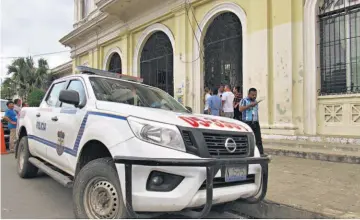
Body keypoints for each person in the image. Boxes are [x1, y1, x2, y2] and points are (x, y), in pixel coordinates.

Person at [239, 88, 263, 154]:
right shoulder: (244, 100)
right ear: (248, 94)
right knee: (247, 140)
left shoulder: (256, 101)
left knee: (258, 140)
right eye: (253, 95)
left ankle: (261, 154)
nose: (254, 96)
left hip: (255, 122)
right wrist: (250, 105)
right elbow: (240, 109)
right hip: (247, 122)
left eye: (255, 95)